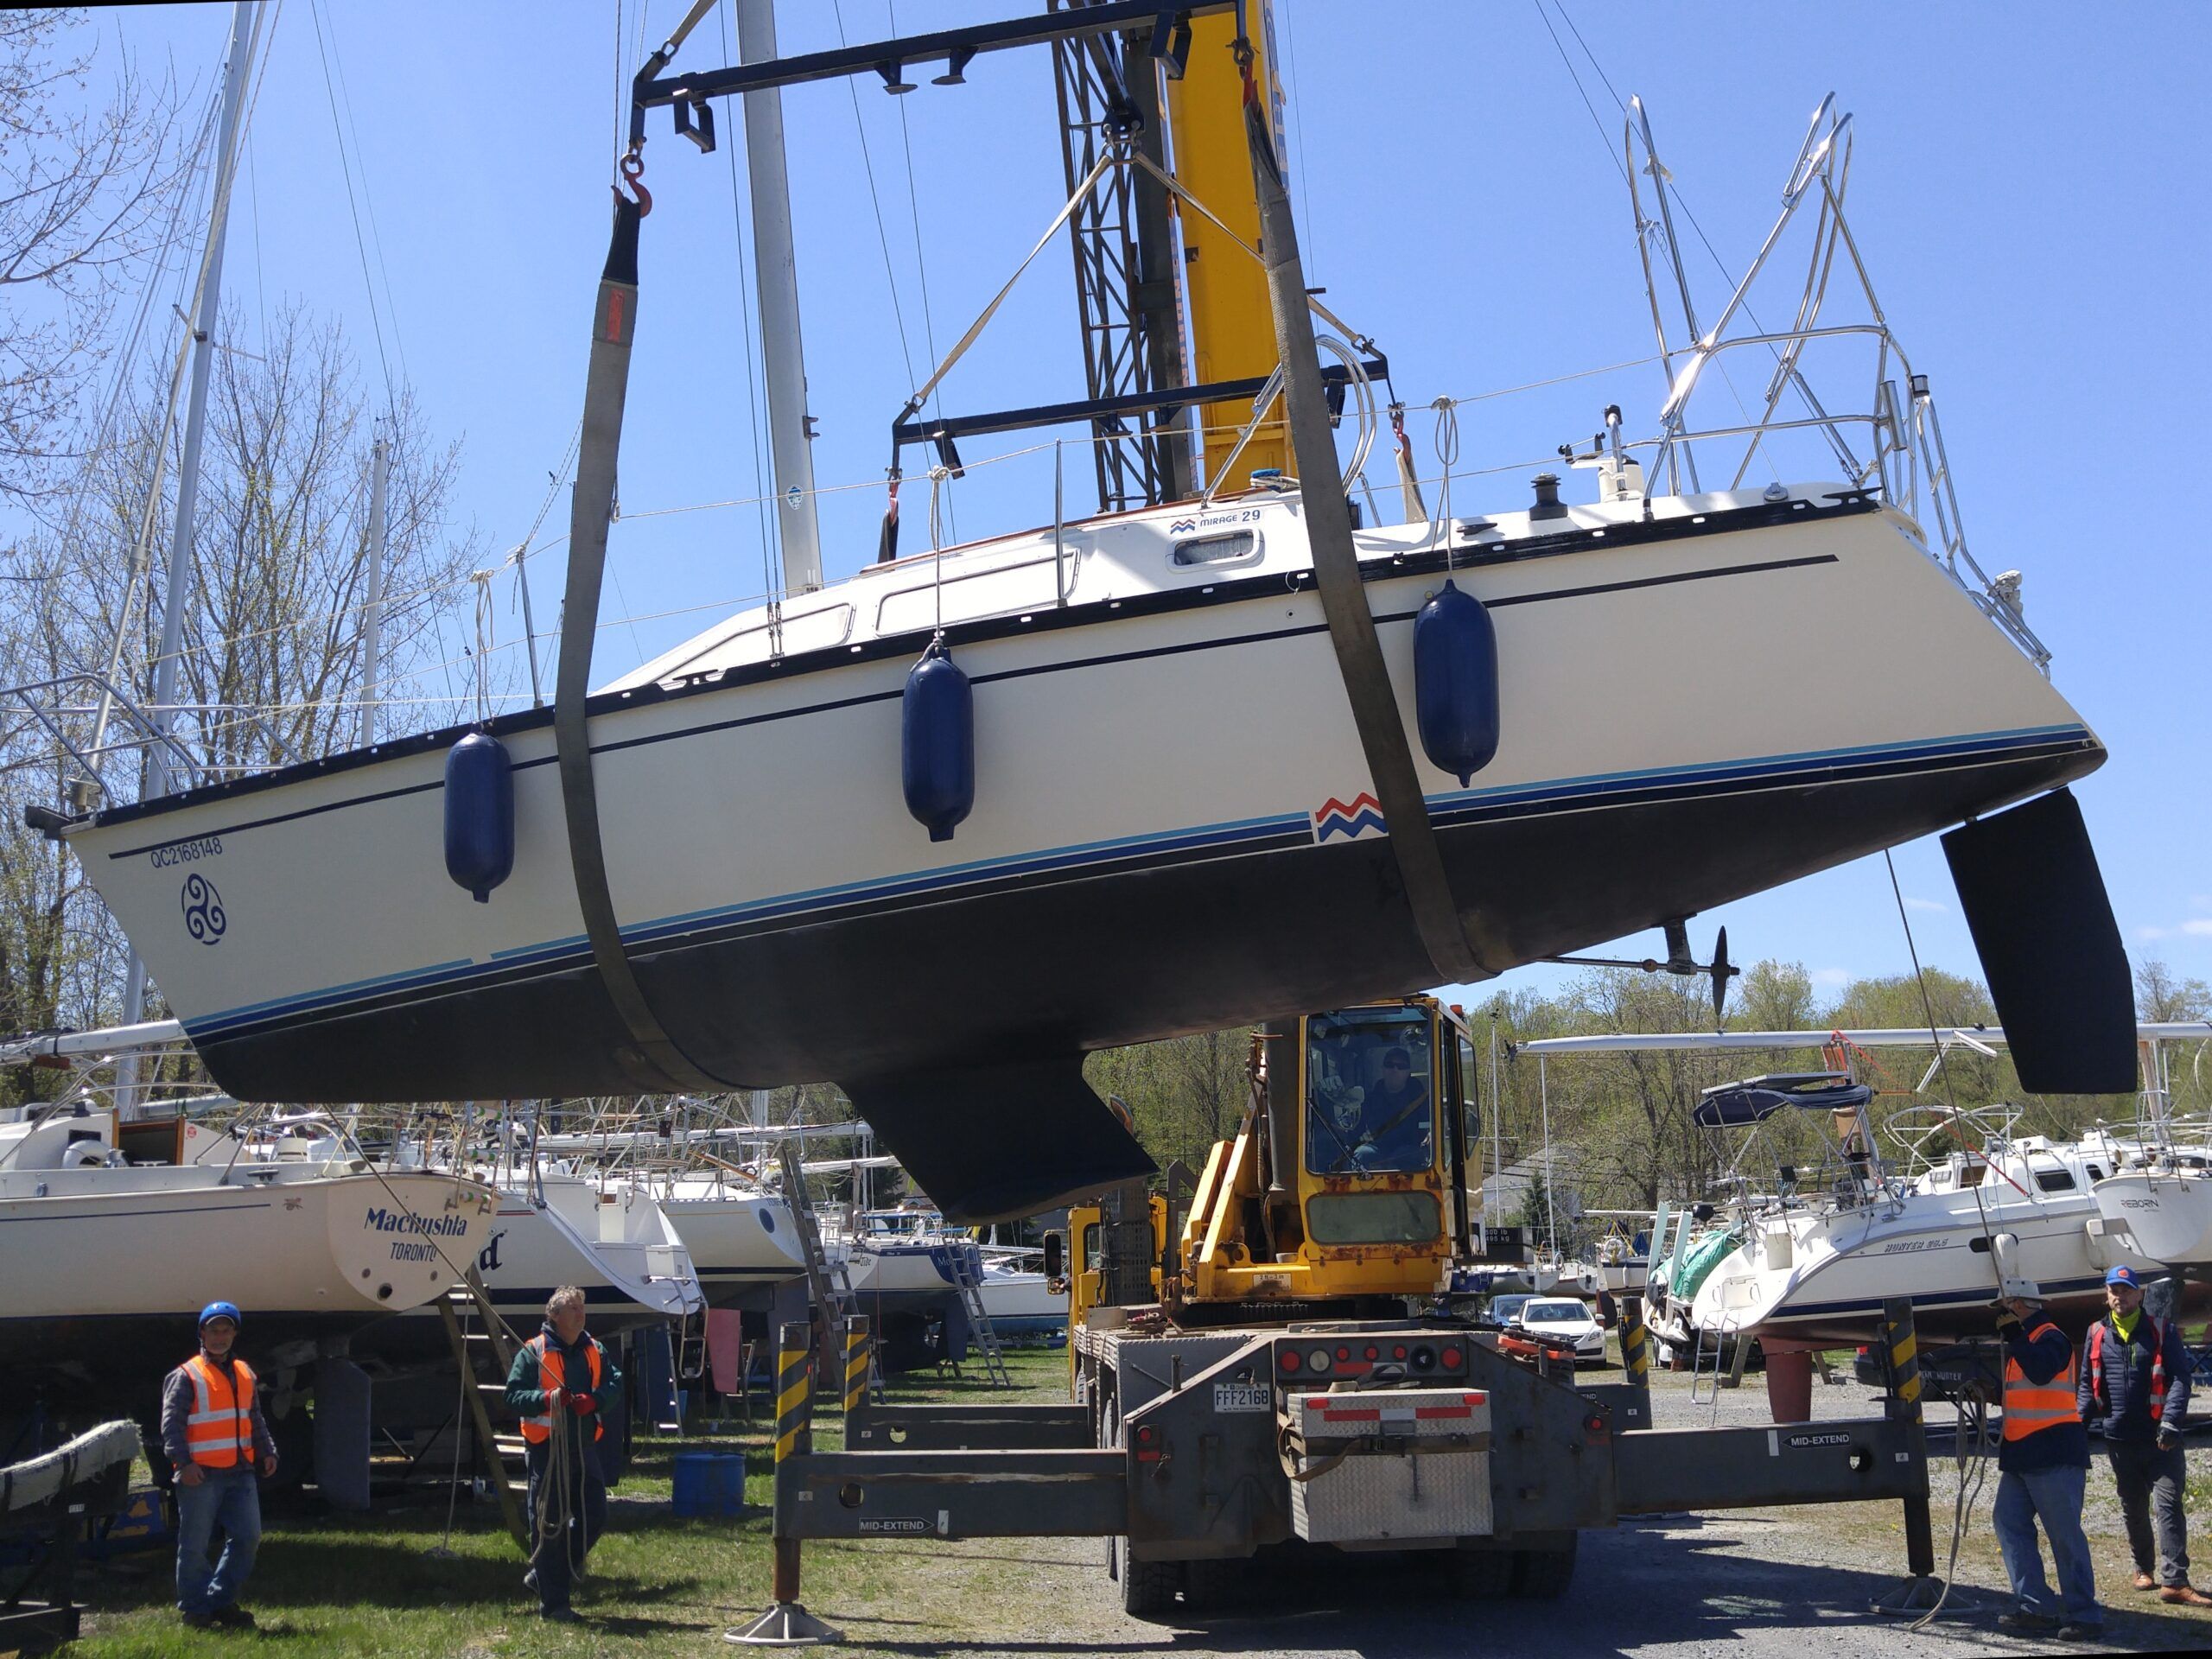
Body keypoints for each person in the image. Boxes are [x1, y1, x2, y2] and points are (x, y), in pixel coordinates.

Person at [2080, 1264, 2212, 1605]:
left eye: (2126, 1290)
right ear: (2106, 1295)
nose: (2120, 1296)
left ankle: (2175, 1581)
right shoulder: (2096, 1332)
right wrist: (2076, 1428)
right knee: (2133, 1507)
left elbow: (2181, 1378)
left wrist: (2171, 1421)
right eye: (2114, 1290)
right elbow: (2086, 1386)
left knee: (2168, 1505)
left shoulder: (2161, 1330)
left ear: (2139, 1294)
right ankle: (2143, 1568)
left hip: (2161, 1438)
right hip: (2119, 1439)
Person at [506, 1285, 622, 1623]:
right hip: (547, 1451)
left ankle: (546, 1575)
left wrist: (596, 1401)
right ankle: (555, 1605)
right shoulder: (533, 1351)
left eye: (582, 1307)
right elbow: (513, 1396)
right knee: (549, 1525)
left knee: (596, 1515)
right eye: (573, 1308)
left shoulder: (595, 1349)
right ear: (554, 1315)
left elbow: (614, 1383)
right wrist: (545, 1400)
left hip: (583, 1448)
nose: (580, 1313)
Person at [1990, 1287, 2101, 1641]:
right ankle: (2036, 1607)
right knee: (2008, 1522)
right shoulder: (2025, 1341)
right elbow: (2025, 1390)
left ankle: (2085, 1615)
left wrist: (2013, 1335)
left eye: (2005, 1306)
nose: (2000, 1314)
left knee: (2064, 1536)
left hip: (2053, 1452)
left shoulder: (2051, 1337)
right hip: (2023, 1454)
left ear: (2019, 1305)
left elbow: (2039, 1371)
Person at [161, 1300, 277, 1630]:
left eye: (226, 1330)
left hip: (240, 1472)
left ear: (234, 1334)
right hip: (200, 1474)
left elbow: (254, 1417)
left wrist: (267, 1450)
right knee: (194, 1546)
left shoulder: (244, 1373)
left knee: (248, 1538)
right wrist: (183, 1464)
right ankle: (196, 1609)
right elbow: (171, 1425)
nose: (220, 1337)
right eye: (214, 1330)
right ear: (202, 1333)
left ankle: (221, 1601)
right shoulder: (186, 1375)